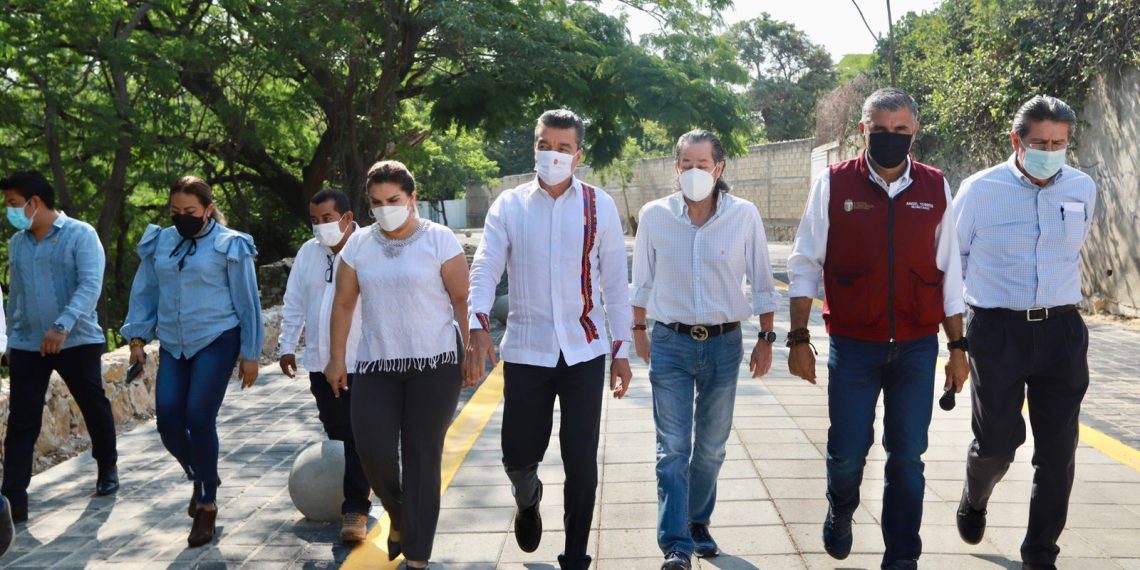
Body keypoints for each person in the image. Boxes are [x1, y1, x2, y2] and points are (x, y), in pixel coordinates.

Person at [786, 88, 969, 570]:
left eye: (900, 130)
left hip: (916, 346)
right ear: (862, 130)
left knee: (907, 456)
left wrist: (958, 347)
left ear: (915, 131)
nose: (891, 137)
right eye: (880, 130)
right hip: (854, 345)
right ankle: (841, 509)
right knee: (848, 452)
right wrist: (799, 338)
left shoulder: (935, 186)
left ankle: (902, 557)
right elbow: (805, 262)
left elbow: (949, 272)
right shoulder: (834, 183)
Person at [464, 109, 634, 570]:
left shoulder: (599, 205)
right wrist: (477, 323)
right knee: (517, 453)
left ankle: (575, 555)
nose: (553, 155)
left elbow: (615, 285)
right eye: (545, 146)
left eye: (563, 148)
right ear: (534, 147)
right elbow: (485, 266)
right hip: (527, 349)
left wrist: (622, 351)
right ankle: (527, 497)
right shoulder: (509, 205)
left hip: (584, 349)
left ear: (578, 155)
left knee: (580, 459)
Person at [952, 95, 1096, 570]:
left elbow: (1073, 248)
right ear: (1017, 140)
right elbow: (953, 261)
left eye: (1059, 143)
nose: (1050, 152)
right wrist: (956, 337)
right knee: (997, 444)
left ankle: (1039, 553)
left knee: (1058, 450)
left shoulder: (1082, 187)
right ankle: (975, 496)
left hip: (1062, 331)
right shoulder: (980, 189)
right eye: (1040, 143)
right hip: (997, 331)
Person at [631, 129, 780, 570]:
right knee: (673, 447)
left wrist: (767, 338)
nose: (694, 171)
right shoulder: (655, 215)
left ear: (719, 168)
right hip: (671, 342)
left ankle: (698, 522)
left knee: (712, 445)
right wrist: (637, 330)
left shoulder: (744, 215)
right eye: (686, 164)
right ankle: (676, 544)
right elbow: (641, 280)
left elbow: (763, 280)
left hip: (724, 344)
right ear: (676, 168)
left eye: (703, 164)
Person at [325, 161, 471, 570]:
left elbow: (462, 299)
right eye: (376, 203)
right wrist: (336, 358)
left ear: (412, 198)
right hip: (376, 363)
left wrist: (470, 351)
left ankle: (417, 557)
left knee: (423, 456)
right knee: (372, 451)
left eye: (393, 200)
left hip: (435, 362)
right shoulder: (358, 244)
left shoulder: (439, 239)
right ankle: (401, 512)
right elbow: (344, 303)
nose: (384, 209)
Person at [121, 176, 263, 548]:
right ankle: (204, 474)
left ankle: (205, 504)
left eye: (190, 211)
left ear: (208, 209)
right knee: (168, 420)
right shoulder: (160, 241)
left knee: (199, 417)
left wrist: (250, 353)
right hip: (173, 342)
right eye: (175, 211)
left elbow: (248, 302)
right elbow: (145, 291)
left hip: (216, 338)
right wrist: (137, 338)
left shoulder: (230, 244)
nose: (182, 216)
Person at [1, 171, 119, 524]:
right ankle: (13, 499)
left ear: (34, 202)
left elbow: (90, 285)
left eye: (13, 203)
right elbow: (16, 294)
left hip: (76, 339)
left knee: (92, 404)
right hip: (28, 344)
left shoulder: (81, 234)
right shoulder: (17, 243)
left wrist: (61, 326)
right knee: (21, 419)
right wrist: (11, 340)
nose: (9, 211)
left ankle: (107, 466)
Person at [278, 189, 370, 543]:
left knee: (358, 432)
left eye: (327, 219)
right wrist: (287, 345)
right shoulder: (308, 252)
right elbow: (294, 301)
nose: (320, 227)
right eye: (314, 221)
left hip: (363, 360)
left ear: (346, 218)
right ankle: (359, 487)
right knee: (337, 430)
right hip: (320, 362)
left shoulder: (368, 248)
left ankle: (356, 506)